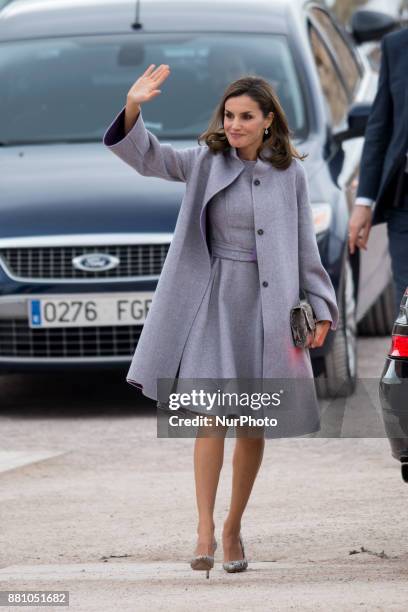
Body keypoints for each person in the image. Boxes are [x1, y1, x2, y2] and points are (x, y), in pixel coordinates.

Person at [103, 64, 338, 577]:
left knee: (251, 423)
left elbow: (305, 248)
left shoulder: (291, 174)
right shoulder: (206, 161)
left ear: (268, 121)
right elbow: (149, 158)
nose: (233, 124)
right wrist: (133, 106)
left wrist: (321, 305)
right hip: (212, 302)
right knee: (211, 416)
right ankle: (205, 529)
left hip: (267, 309)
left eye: (245, 117)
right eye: (229, 115)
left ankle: (233, 527)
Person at [348, 27, 408, 315]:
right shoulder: (396, 46)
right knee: (407, 308)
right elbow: (379, 126)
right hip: (405, 202)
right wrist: (364, 201)